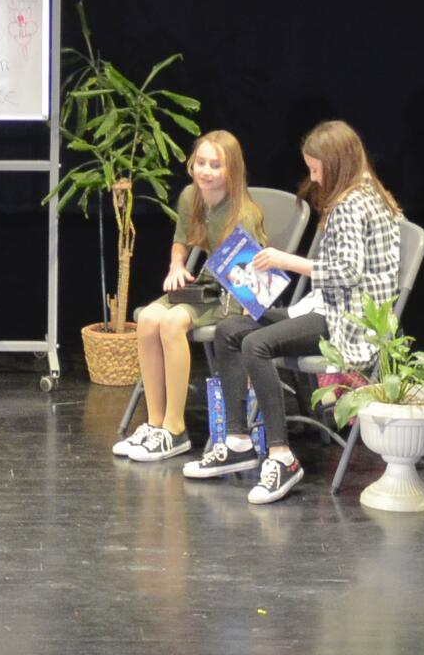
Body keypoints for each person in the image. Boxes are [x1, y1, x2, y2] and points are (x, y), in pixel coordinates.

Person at [188, 120, 404, 504]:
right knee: (230, 329)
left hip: (348, 320)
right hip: (327, 305)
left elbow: (346, 273)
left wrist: (286, 261)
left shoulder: (353, 204)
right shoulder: (365, 191)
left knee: (255, 344)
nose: (313, 177)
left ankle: (282, 457)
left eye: (316, 169)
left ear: (335, 164)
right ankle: (237, 442)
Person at [109, 132, 264, 465]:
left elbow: (250, 278)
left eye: (215, 165)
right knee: (147, 318)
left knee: (171, 322)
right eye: (200, 163)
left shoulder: (243, 214)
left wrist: (242, 327)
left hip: (235, 293)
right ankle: (156, 424)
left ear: (232, 170)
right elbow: (181, 240)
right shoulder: (191, 196)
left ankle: (175, 428)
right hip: (207, 283)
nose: (205, 171)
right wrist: (176, 265)